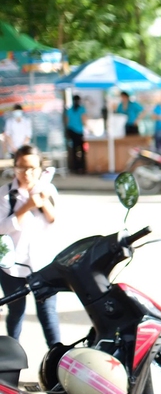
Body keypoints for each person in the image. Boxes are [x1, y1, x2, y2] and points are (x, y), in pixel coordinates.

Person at [0, 145, 60, 348]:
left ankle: (57, 361)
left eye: (32, 168)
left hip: (42, 263)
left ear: (40, 168)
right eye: (22, 167)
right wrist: (25, 207)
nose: (27, 173)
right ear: (14, 167)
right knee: (16, 311)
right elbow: (2, 229)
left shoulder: (47, 190)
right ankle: (11, 359)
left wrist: (43, 201)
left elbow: (55, 222)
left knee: (48, 312)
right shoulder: (6, 194)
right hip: (12, 264)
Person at [64, 95, 87, 174]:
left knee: (74, 150)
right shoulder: (81, 109)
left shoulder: (70, 110)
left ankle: (74, 167)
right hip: (79, 132)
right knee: (82, 151)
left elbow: (67, 121)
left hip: (71, 131)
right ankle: (82, 167)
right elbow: (83, 120)